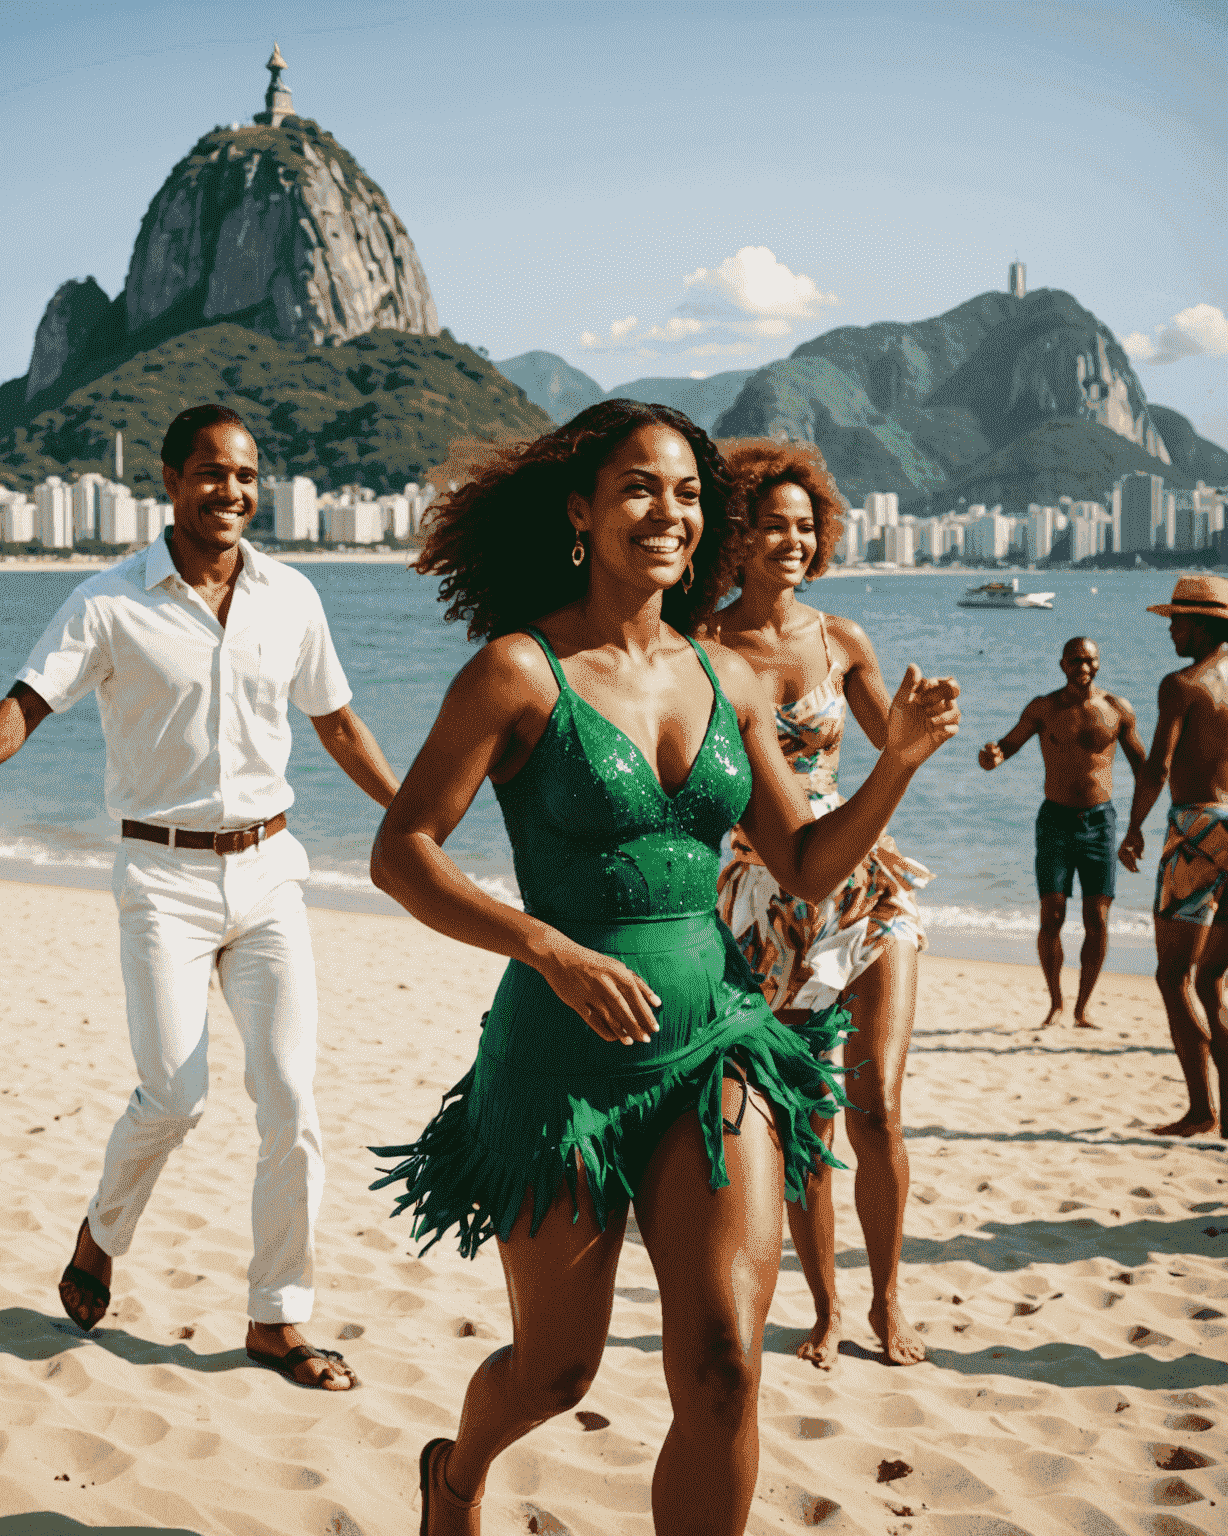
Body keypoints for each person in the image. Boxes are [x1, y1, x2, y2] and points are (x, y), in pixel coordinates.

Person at [368, 401, 959, 1536]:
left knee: (729, 1365)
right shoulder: (519, 671)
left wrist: (901, 766)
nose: (668, 512)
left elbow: (802, 867)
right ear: (581, 513)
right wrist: (542, 943)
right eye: (640, 487)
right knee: (557, 1372)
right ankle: (458, 1472)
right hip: (562, 1067)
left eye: (688, 494)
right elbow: (403, 853)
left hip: (717, 1041)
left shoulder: (728, 678)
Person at [0, 404, 400, 1390]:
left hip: (272, 871)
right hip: (161, 878)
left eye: (244, 475)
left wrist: (415, 809)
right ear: (168, 480)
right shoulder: (110, 602)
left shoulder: (291, 597)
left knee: (290, 1102)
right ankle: (103, 1230)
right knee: (177, 1095)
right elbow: (31, 699)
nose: (230, 492)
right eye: (210, 473)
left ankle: (278, 1320)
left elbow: (338, 725)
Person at [702, 439, 933, 1372]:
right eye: (773, 526)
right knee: (806, 1117)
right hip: (766, 899)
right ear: (739, 537)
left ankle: (885, 1301)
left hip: (865, 883)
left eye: (806, 526)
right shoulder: (707, 647)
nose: (792, 541)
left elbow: (890, 742)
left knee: (876, 1103)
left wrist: (923, 721)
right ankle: (827, 1309)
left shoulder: (843, 640)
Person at [979, 636, 1145, 1028]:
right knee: (1051, 915)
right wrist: (990, 756)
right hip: (1054, 821)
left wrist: (1137, 827)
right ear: (1062, 665)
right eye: (1074, 661)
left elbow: (1146, 769)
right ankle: (1055, 1003)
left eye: (1089, 661)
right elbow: (1005, 747)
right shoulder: (1044, 708)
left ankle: (1083, 1007)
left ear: (1099, 664)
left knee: (1097, 919)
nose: (1082, 667)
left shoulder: (1117, 709)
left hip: (1101, 822)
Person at [1118, 574, 1228, 1137]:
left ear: (1206, 623)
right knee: (1212, 982)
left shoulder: (1181, 685)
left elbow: (1158, 766)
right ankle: (1227, 1113)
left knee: (1172, 977)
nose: (1171, 632)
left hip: (1198, 828)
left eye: (1179, 621)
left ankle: (1201, 1109)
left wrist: (1134, 827)